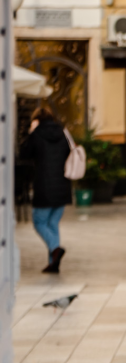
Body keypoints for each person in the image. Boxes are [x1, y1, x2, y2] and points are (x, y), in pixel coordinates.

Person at [21, 102, 72, 273]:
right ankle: (53, 263)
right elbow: (67, 153)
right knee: (52, 223)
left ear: (36, 120)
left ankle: (55, 249)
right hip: (62, 186)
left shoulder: (36, 135)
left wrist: (31, 132)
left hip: (44, 186)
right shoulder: (62, 132)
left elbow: (25, 154)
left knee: (39, 222)